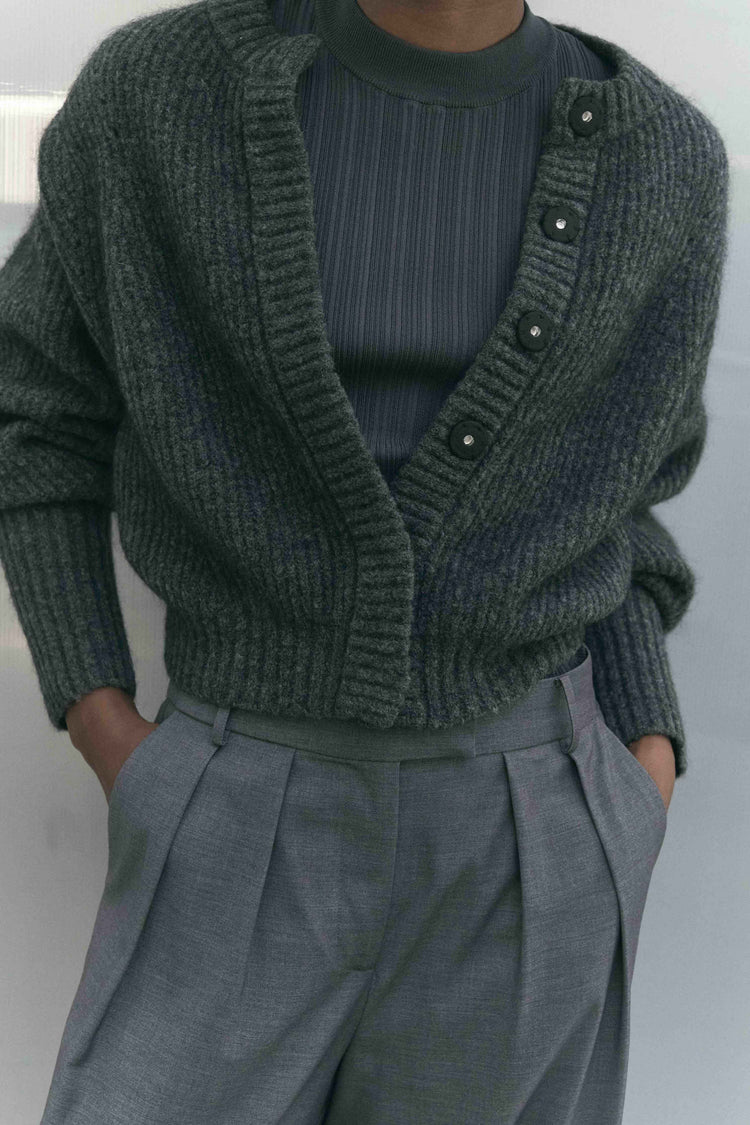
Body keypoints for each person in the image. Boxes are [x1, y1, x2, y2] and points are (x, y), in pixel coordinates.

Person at [0, 0, 729, 1121]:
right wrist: (104, 718)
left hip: (528, 823)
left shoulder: (666, 161)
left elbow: (623, 503)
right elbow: (35, 414)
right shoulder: (157, 96)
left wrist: (642, 768)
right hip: (236, 793)